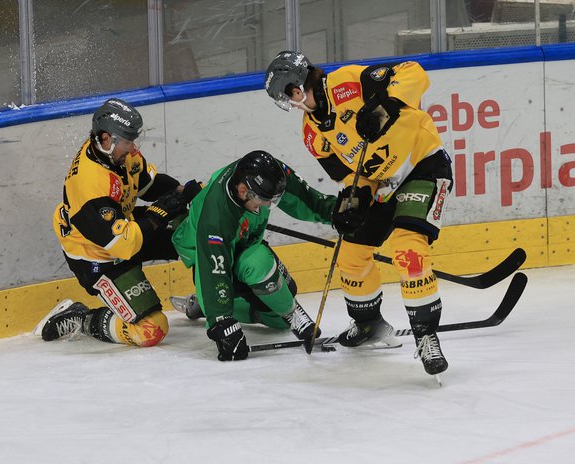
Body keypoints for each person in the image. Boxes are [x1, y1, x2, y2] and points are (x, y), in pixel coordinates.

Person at [264, 51, 453, 376]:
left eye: (287, 95)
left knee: (408, 249)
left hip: (422, 163)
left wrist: (386, 106)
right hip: (384, 184)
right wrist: (353, 199)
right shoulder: (313, 134)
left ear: (295, 88)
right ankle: (368, 323)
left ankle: (426, 335)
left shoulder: (350, 82)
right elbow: (353, 177)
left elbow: (416, 74)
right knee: (350, 254)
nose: (291, 103)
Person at [35, 98, 201, 347]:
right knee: (151, 330)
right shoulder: (89, 184)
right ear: (105, 139)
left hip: (124, 228)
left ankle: (206, 298)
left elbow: (149, 184)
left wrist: (185, 192)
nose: (134, 148)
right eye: (128, 142)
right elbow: (123, 245)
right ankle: (81, 318)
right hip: (99, 256)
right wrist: (161, 210)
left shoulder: (117, 153)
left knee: (194, 231)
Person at [170, 150, 336, 361]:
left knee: (278, 316)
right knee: (257, 263)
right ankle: (211, 306)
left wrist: (334, 212)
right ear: (242, 191)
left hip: (242, 243)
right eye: (263, 201)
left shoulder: (266, 173)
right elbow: (213, 272)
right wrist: (221, 322)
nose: (267, 206)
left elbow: (302, 197)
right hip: (205, 254)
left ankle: (203, 307)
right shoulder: (215, 218)